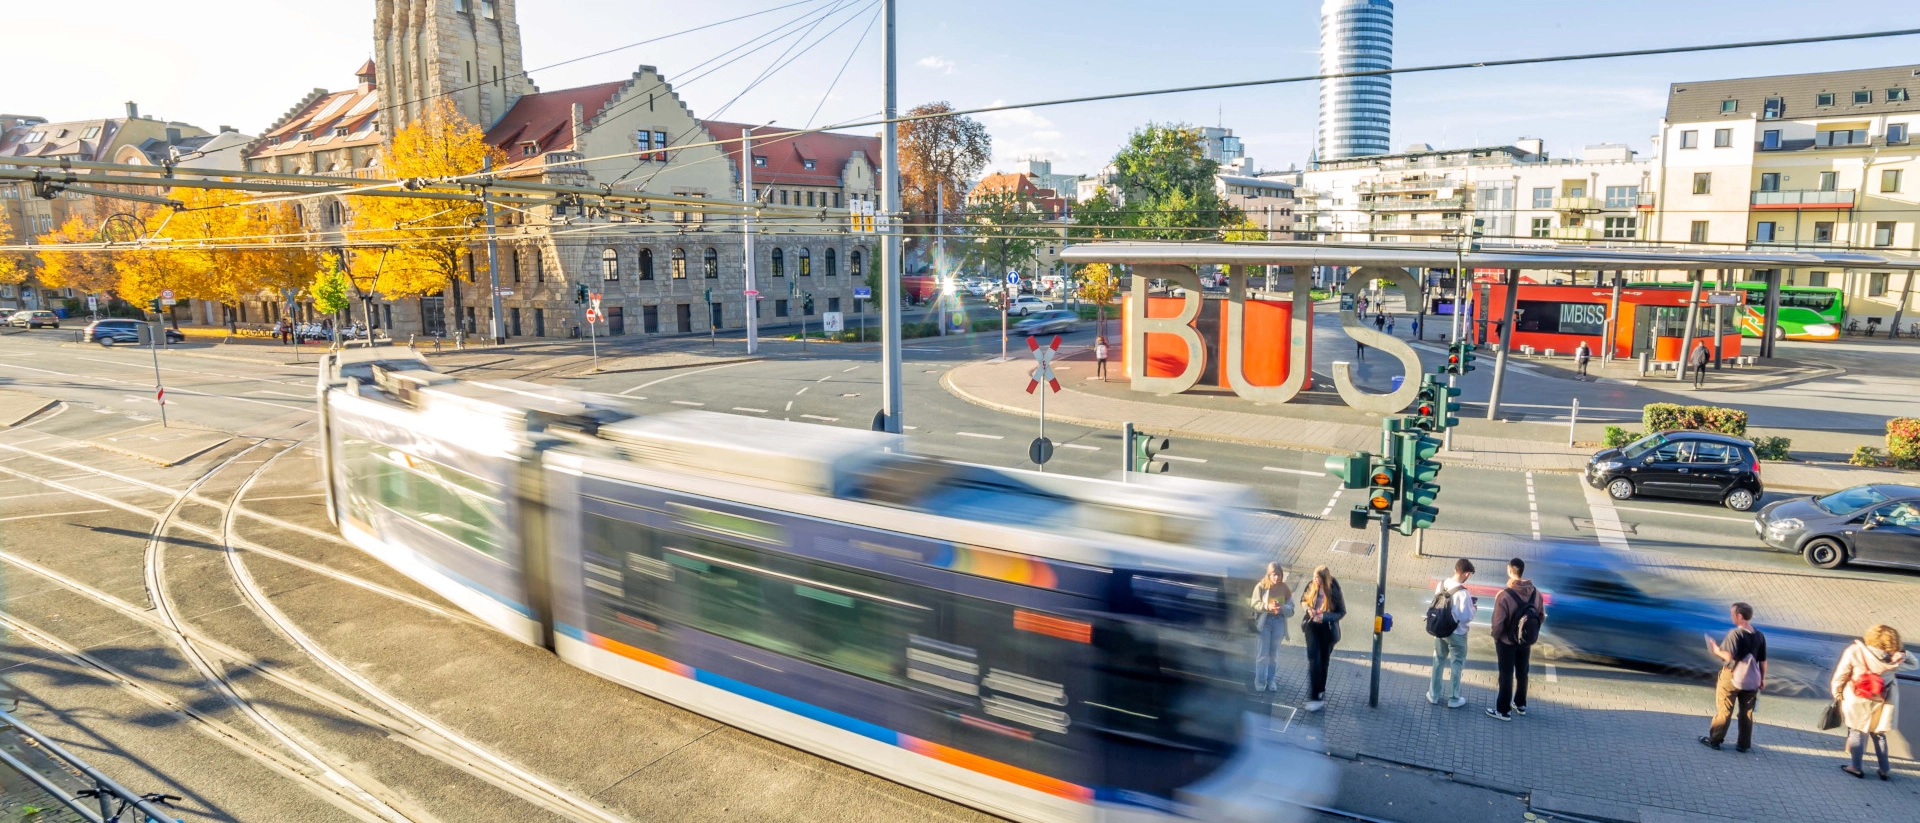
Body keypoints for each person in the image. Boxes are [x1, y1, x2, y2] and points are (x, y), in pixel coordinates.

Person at [1831, 624, 1905, 779]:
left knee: (1856, 731)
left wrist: (1837, 692)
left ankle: (1856, 767)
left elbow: (1841, 674)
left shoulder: (1855, 651)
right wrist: (1903, 653)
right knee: (1878, 734)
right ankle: (1884, 769)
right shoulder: (1895, 659)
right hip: (1882, 700)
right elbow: (1915, 663)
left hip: (1857, 697)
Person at [1700, 602, 1767, 752]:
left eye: (1732, 614)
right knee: (1746, 712)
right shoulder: (1759, 635)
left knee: (1725, 709)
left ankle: (1715, 740)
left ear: (1739, 616)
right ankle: (1743, 745)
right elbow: (1763, 661)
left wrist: (1715, 650)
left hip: (1731, 676)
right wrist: (1762, 679)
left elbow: (1729, 656)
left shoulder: (1735, 634)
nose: (1731, 616)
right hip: (1751, 679)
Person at [1487, 558, 1543, 721]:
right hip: (1525, 640)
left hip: (1506, 642)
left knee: (1506, 674)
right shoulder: (1535, 593)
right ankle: (1520, 704)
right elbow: (1540, 615)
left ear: (1509, 570)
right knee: (1522, 672)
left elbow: (1498, 623)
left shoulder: (1504, 595)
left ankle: (1503, 710)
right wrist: (1530, 633)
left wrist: (1497, 636)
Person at [1428, 559, 1476, 708]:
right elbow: (1466, 617)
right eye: (1469, 575)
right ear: (1466, 573)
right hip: (1457, 634)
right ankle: (1453, 698)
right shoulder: (1463, 593)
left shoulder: (1441, 585)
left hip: (1440, 630)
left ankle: (1433, 695)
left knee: (1438, 661)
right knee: (1456, 664)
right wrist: (1474, 608)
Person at [1299, 565, 1345, 712]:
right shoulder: (1311, 586)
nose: (1315, 581)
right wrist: (1309, 609)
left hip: (1327, 629)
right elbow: (1303, 601)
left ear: (1324, 579)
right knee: (1314, 661)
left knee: (1324, 661)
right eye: (1314, 577)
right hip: (1312, 627)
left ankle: (1320, 691)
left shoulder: (1334, 590)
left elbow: (1341, 612)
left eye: (1317, 578)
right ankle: (1314, 697)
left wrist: (1324, 616)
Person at [1249, 563, 1292, 693]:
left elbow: (1291, 610)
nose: (1277, 578)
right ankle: (1260, 680)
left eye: (1279, 575)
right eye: (1274, 575)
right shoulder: (1261, 586)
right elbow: (1254, 603)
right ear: (1269, 574)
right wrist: (1267, 607)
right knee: (1262, 654)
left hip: (1279, 622)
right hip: (1265, 622)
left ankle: (1271, 680)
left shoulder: (1285, 588)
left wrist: (1282, 608)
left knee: (1273, 655)